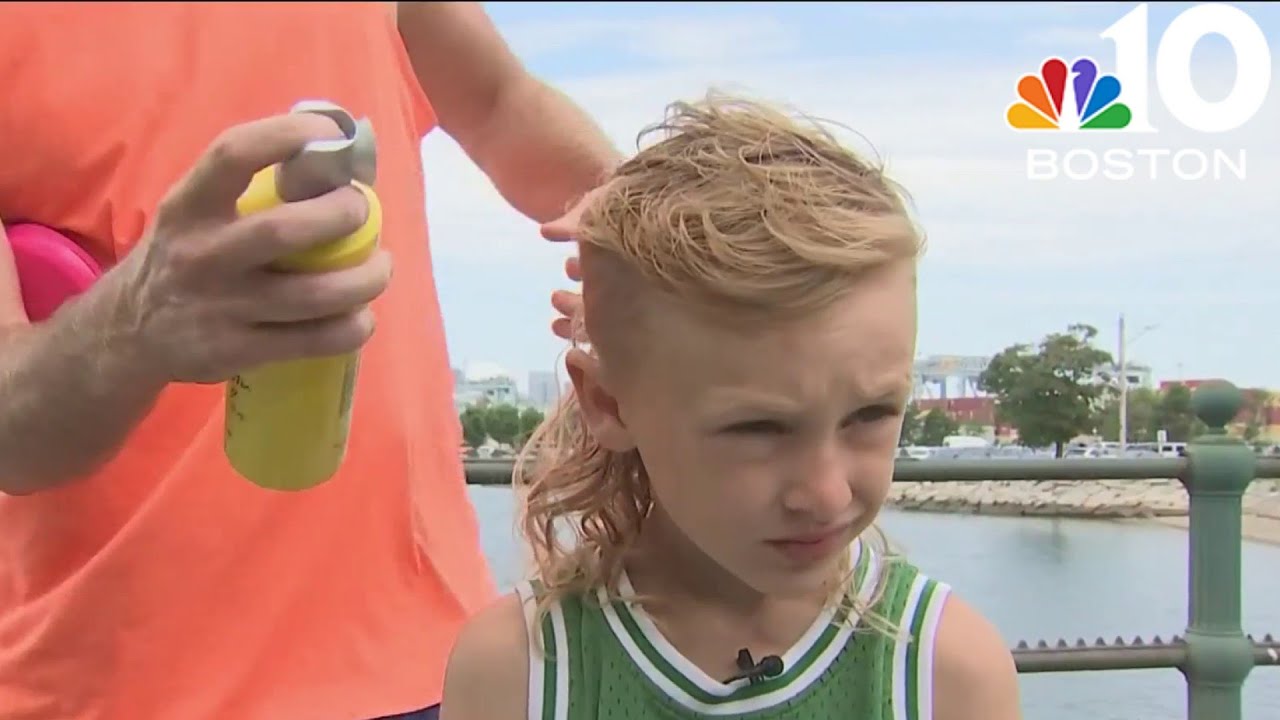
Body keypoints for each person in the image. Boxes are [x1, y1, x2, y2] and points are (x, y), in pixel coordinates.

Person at [0, 3, 617, 719]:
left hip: (431, 670)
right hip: (108, 691)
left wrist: (646, 219)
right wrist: (138, 319)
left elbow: (499, 104)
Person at [439, 94, 1023, 720]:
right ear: (608, 402)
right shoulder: (516, 674)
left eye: (871, 415)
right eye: (758, 428)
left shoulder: (946, 674)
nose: (826, 495)